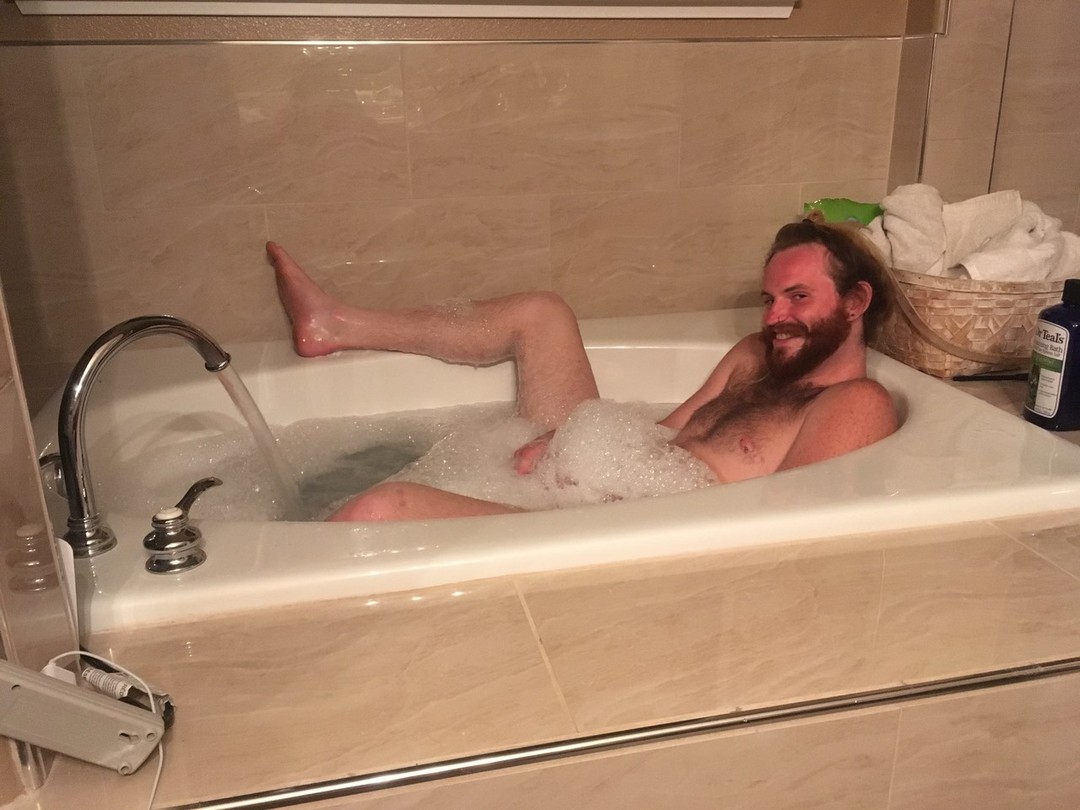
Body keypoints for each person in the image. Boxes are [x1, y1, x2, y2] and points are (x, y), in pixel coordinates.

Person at [266, 213, 898, 522]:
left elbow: (781, 525)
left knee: (382, 509)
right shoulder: (755, 358)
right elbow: (666, 431)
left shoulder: (854, 404)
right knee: (541, 314)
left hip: (617, 529)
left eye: (798, 297)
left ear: (856, 302)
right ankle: (336, 325)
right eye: (770, 299)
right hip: (607, 483)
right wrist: (565, 441)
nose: (775, 317)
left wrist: (607, 497)